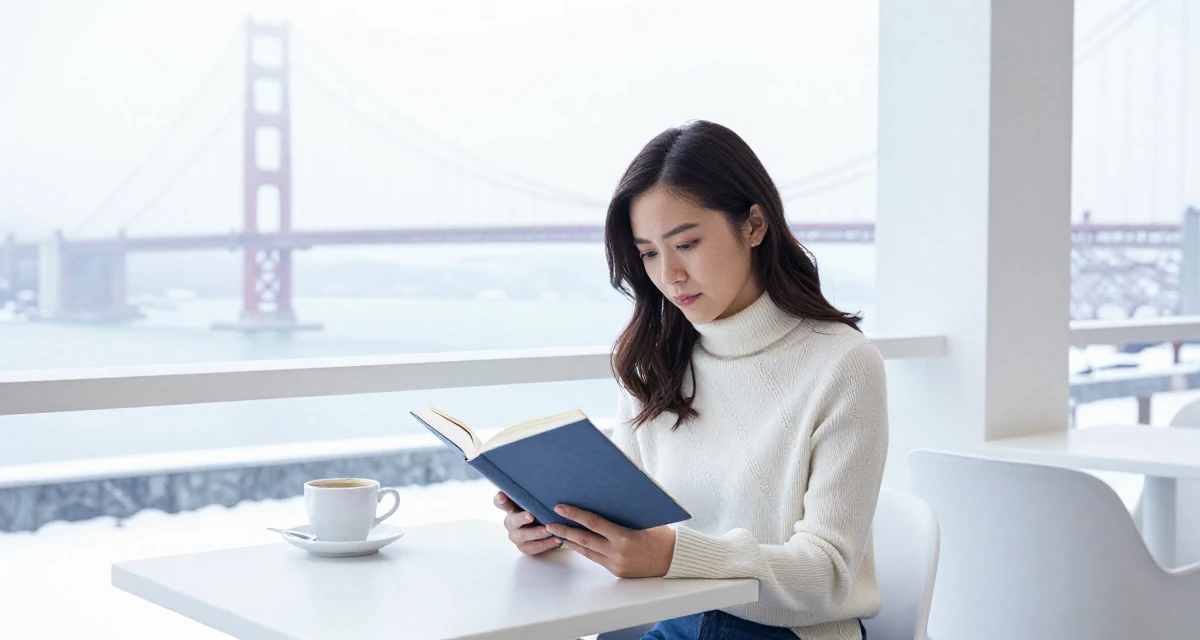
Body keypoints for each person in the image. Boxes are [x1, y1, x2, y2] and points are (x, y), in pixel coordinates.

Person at [494, 120, 887, 640]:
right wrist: (557, 532)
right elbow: (629, 525)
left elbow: (829, 572)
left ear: (753, 226)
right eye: (649, 253)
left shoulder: (843, 363)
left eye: (687, 243)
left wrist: (675, 554)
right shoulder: (651, 361)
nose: (669, 275)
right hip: (673, 621)